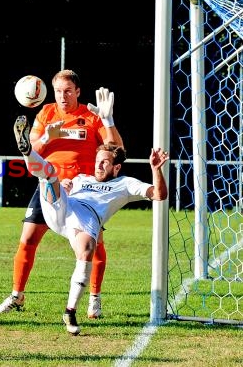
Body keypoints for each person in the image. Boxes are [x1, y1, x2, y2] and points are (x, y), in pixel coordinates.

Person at [12, 114, 169, 334]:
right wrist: (66, 186)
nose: (99, 165)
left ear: (116, 168)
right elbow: (66, 189)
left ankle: (70, 311)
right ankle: (27, 150)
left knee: (86, 250)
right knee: (50, 175)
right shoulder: (81, 179)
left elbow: (160, 195)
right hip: (62, 207)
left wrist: (155, 169)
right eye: (97, 161)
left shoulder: (125, 184)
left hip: (86, 220)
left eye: (104, 162)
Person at [0, 70, 124, 318]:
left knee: (94, 246)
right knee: (28, 239)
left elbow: (116, 148)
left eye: (68, 91)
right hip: (50, 182)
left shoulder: (91, 115)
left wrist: (108, 121)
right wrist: (48, 135)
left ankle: (94, 299)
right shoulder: (47, 113)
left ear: (77, 92)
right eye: (58, 91)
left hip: (83, 189)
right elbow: (32, 148)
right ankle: (16, 296)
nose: (63, 96)